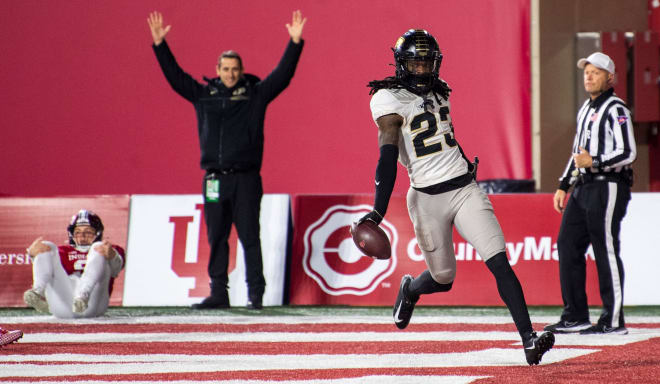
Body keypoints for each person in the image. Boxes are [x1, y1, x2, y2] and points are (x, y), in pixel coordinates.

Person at [358, 29, 554, 365]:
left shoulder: (440, 91)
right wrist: (377, 212)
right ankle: (410, 290)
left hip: (464, 189)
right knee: (442, 279)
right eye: (415, 63)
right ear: (402, 63)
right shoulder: (387, 99)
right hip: (426, 199)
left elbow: (446, 138)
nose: (422, 70)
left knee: (499, 260)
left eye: (426, 62)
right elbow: (387, 158)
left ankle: (528, 339)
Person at [147, 11, 306, 310]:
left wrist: (295, 42)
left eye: (235, 69)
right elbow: (176, 78)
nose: (230, 74)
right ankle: (219, 293)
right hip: (214, 179)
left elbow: (282, 75)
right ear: (217, 69)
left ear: (242, 70)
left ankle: (255, 294)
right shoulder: (204, 95)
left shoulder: (255, 95)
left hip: (245, 178)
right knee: (216, 237)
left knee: (249, 236)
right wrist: (160, 45)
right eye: (225, 68)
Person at [545, 52, 636, 335]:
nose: (588, 75)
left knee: (604, 249)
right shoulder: (586, 109)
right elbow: (577, 153)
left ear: (610, 77)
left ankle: (613, 319)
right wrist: (563, 184)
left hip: (607, 185)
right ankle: (575, 315)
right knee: (567, 244)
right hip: (584, 185)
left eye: (596, 72)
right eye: (586, 71)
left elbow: (628, 151)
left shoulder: (616, 108)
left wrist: (594, 161)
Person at [23, 210, 125, 318]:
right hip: (65, 305)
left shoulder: (109, 249)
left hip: (94, 305)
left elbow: (115, 270)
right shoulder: (61, 251)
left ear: (97, 233)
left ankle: (83, 295)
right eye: (78, 232)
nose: (82, 236)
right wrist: (33, 254)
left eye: (88, 232)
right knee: (46, 246)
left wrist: (112, 255)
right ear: (72, 234)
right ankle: (37, 291)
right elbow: (43, 266)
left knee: (99, 247)